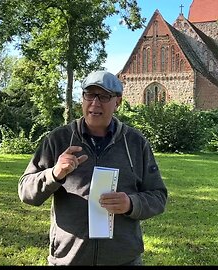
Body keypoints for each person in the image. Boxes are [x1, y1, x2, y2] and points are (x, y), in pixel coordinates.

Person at [18, 70, 168, 266]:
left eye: (104, 96)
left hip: (123, 260)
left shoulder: (136, 143)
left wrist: (131, 204)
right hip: (69, 259)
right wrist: (54, 174)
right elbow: (25, 192)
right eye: (90, 95)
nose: (95, 103)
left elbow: (158, 196)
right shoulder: (58, 139)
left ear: (118, 102)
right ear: (82, 98)